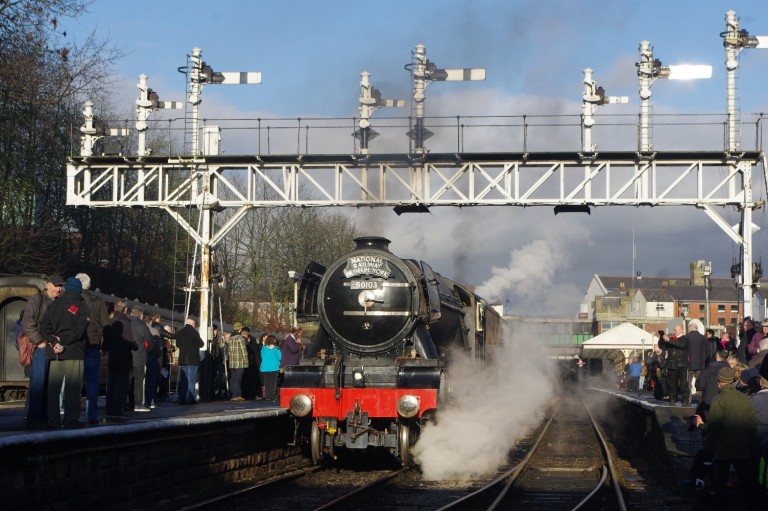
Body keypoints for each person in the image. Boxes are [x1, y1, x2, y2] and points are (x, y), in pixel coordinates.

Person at [693, 366, 758, 510]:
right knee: (745, 480)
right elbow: (752, 424)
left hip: (724, 449)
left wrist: (704, 434)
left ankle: (720, 506)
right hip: (742, 448)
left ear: (720, 382)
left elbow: (714, 427)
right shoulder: (745, 398)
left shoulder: (719, 399)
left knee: (720, 481)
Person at [40, 277, 90, 428]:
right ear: (78, 290)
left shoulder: (53, 305)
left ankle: (53, 420)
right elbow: (79, 332)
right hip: (73, 352)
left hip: (55, 353)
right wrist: (63, 341)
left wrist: (55, 341)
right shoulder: (82, 307)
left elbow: (44, 327)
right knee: (73, 387)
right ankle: (71, 420)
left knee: (53, 388)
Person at [20, 274, 63, 429]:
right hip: (41, 348)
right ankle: (35, 418)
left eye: (60, 286)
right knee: (39, 384)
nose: (59, 289)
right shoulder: (37, 299)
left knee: (47, 384)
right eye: (56, 285)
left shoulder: (55, 302)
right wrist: (39, 341)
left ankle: (43, 417)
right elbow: (27, 323)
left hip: (51, 347)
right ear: (47, 285)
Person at [75, 273, 111, 425]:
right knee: (93, 381)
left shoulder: (72, 301)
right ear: (89, 286)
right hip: (94, 345)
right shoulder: (98, 302)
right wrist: (106, 346)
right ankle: (92, 415)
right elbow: (106, 326)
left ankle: (73, 414)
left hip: (75, 345)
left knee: (74, 381)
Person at [103, 300, 137, 421]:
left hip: (111, 358)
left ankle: (109, 411)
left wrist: (106, 354)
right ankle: (118, 411)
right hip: (123, 359)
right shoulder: (125, 322)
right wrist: (135, 345)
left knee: (111, 385)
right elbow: (129, 341)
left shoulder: (109, 321)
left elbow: (106, 343)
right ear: (125, 309)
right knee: (121, 386)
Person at [659, 323, 690, 406]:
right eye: (674, 330)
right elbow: (663, 347)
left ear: (681, 330)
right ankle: (672, 398)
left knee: (683, 384)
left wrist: (669, 340)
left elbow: (681, 345)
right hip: (672, 364)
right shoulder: (671, 339)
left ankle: (685, 400)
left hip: (682, 364)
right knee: (671, 383)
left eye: (675, 330)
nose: (674, 331)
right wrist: (661, 338)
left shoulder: (685, 339)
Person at [128, 306, 152, 412]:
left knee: (127, 381)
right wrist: (148, 351)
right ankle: (138, 404)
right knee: (139, 381)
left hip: (127, 357)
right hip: (139, 357)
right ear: (141, 315)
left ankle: (128, 403)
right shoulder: (142, 325)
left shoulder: (126, 322)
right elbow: (149, 341)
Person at [176, 318, 204, 404]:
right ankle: (191, 399)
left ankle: (182, 399)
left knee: (183, 379)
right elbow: (201, 344)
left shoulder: (180, 332)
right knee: (191, 380)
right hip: (192, 360)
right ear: (193, 324)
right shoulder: (194, 332)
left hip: (183, 359)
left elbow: (177, 344)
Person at [687, 323, 708, 403]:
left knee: (688, 383)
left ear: (690, 328)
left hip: (689, 364)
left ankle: (688, 399)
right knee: (701, 382)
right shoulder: (703, 338)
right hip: (700, 364)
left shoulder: (687, 337)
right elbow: (708, 351)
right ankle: (701, 399)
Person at [143, 313, 162, 408]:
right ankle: (150, 401)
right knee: (151, 381)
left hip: (139, 358)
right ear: (150, 321)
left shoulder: (138, 329)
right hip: (152, 358)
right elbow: (159, 347)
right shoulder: (154, 331)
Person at [226, 325, 248, 401]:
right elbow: (244, 351)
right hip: (240, 362)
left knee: (233, 379)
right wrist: (246, 362)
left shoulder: (230, 339)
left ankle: (233, 395)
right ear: (240, 329)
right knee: (238, 379)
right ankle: (237, 395)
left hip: (232, 363)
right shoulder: (240, 338)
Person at [260, 334, 281, 402]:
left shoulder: (263, 348)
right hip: (274, 367)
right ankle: (272, 396)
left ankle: (267, 396)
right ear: (273, 340)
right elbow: (280, 357)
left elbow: (262, 357)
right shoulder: (276, 348)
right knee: (273, 382)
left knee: (267, 382)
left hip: (265, 368)